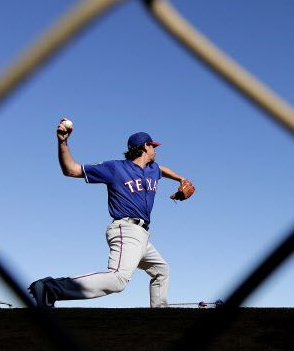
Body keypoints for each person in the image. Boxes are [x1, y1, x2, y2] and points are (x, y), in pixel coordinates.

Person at [28, 119, 196, 308]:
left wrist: (180, 178)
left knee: (161, 270)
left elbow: (162, 170)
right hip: (126, 229)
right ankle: (50, 288)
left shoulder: (152, 169)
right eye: (153, 146)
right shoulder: (115, 168)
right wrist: (62, 142)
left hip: (142, 236)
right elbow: (71, 170)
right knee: (118, 279)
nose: (156, 150)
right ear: (144, 147)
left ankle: (158, 315)